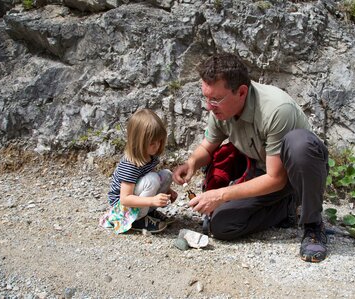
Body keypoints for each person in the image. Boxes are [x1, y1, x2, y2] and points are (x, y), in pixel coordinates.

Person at [173, 52, 329, 262]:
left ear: (242, 92)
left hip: (298, 174)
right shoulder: (221, 110)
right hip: (262, 175)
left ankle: (312, 225)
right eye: (206, 98)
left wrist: (219, 195)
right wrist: (191, 163)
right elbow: (207, 147)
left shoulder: (275, 110)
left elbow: (277, 178)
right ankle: (288, 208)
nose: (209, 106)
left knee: (299, 143)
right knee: (222, 225)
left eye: (216, 99)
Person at [100, 109, 177, 234]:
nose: (157, 145)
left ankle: (148, 212)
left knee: (167, 175)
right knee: (152, 179)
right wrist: (152, 201)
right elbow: (125, 199)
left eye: (159, 141)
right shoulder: (130, 164)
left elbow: (150, 177)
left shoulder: (150, 155)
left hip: (137, 198)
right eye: (153, 142)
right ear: (139, 142)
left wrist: (168, 192)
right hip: (122, 208)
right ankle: (137, 220)